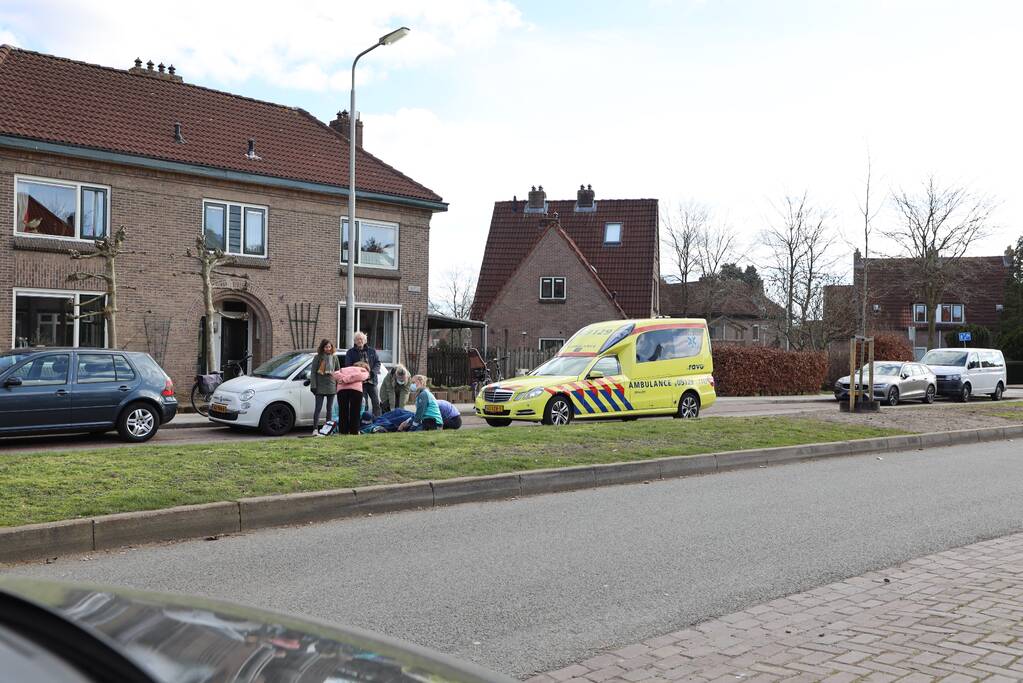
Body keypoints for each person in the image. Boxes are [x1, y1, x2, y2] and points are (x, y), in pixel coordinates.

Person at [345, 332, 381, 417]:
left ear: (365, 340)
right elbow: (348, 366)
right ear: (354, 341)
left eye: (361, 339)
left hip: (372, 381)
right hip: (359, 383)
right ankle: (365, 421)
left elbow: (378, 363)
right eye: (357, 339)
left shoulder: (372, 351)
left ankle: (378, 421)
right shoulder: (350, 352)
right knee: (364, 404)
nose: (359, 341)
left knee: (376, 403)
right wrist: (359, 371)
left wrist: (372, 373)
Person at [309, 339, 340, 435]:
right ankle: (315, 429)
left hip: (331, 385)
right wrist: (313, 386)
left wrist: (338, 385)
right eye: (326, 347)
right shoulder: (317, 357)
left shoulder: (334, 357)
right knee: (318, 408)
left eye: (329, 347)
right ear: (322, 347)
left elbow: (338, 371)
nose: (328, 348)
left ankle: (327, 429)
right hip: (320, 386)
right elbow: (313, 372)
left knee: (329, 409)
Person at [333, 361, 370, 435]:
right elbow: (362, 376)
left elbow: (335, 374)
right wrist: (347, 380)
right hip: (356, 390)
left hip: (342, 389)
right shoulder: (363, 370)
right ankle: (354, 431)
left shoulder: (343, 369)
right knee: (355, 412)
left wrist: (343, 379)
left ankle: (343, 431)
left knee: (342, 411)